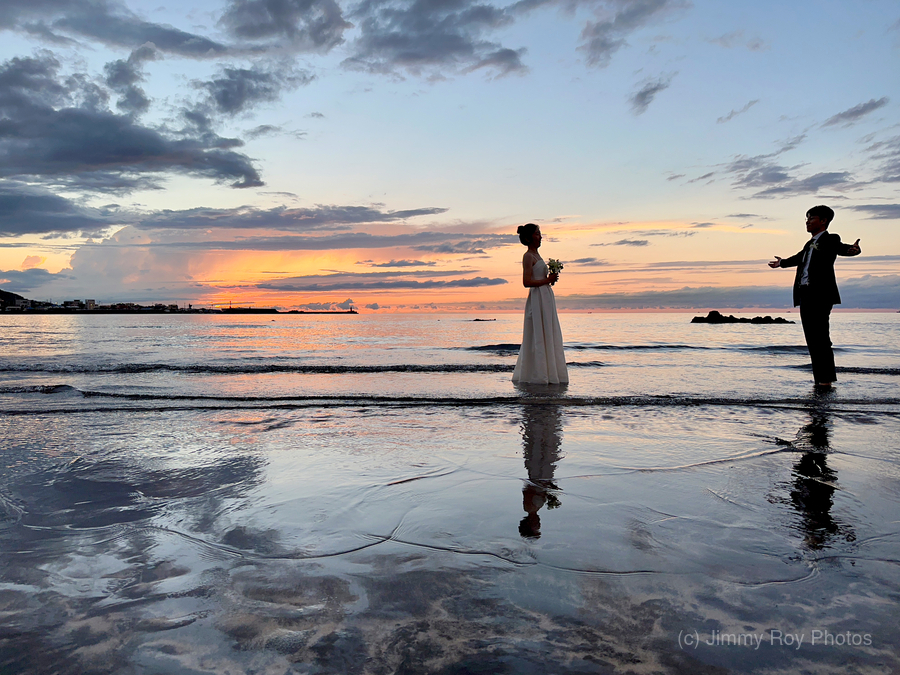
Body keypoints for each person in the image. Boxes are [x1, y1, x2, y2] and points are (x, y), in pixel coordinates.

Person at [768, 205, 861, 388]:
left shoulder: (830, 239)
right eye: (807, 219)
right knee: (812, 339)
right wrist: (782, 263)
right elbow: (799, 257)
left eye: (811, 218)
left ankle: (825, 381)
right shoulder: (808, 244)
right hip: (805, 295)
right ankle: (820, 381)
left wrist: (854, 250)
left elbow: (842, 248)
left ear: (823, 221)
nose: (807, 222)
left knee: (821, 339)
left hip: (820, 295)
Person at [512, 223, 568, 385]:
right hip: (537, 297)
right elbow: (526, 281)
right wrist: (546, 280)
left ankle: (550, 371)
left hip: (546, 296)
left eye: (540, 233)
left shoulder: (538, 255)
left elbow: (539, 279)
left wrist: (550, 280)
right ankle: (537, 373)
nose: (540, 236)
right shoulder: (528, 256)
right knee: (537, 332)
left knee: (548, 331)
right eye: (537, 233)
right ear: (529, 237)